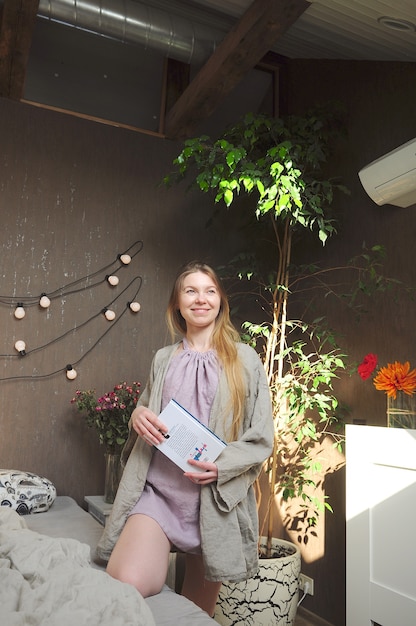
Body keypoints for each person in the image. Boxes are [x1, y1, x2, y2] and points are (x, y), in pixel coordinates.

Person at [96, 261, 274, 616]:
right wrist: (136, 415)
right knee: (127, 580)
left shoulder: (245, 359)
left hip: (214, 501)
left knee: (194, 613)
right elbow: (147, 409)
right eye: (190, 291)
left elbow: (262, 437)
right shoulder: (162, 358)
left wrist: (222, 469)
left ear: (220, 301)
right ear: (177, 303)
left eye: (209, 291)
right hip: (160, 494)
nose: (201, 299)